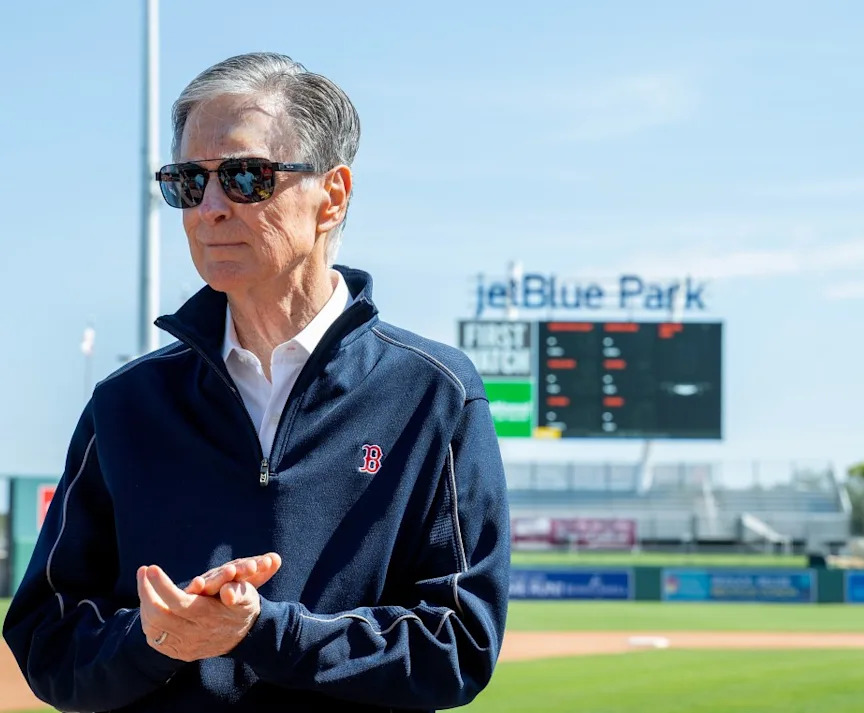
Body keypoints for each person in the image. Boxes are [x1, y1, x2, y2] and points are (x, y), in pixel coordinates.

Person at [3, 52, 510, 713]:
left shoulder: (434, 393)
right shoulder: (125, 405)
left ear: (331, 196)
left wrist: (262, 630)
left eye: (245, 177)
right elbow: (48, 639)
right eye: (188, 181)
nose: (210, 207)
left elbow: (457, 646)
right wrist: (157, 637)